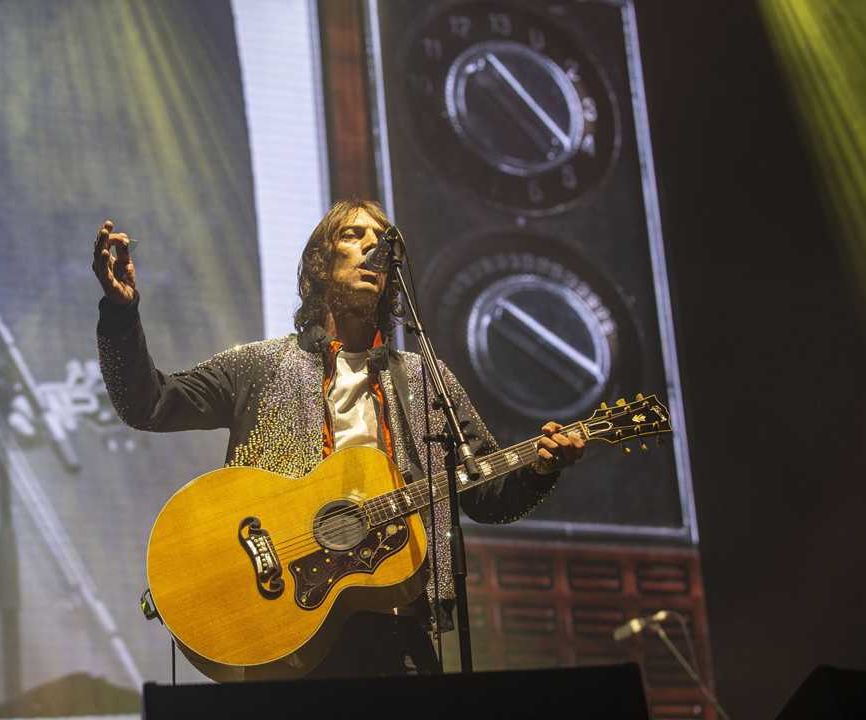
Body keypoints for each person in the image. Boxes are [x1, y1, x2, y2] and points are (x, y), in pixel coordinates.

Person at [91, 199, 585, 678]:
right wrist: (121, 314)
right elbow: (147, 404)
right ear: (319, 265)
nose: (373, 247)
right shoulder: (260, 366)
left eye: (381, 241)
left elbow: (484, 496)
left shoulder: (425, 378)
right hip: (286, 622)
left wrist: (543, 469)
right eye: (354, 235)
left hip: (397, 624)